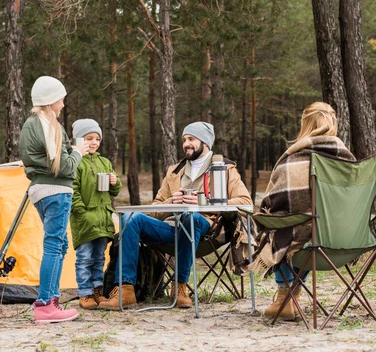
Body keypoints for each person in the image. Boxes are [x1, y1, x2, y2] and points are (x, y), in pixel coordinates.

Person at [98, 121, 252, 310]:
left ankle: (180, 288)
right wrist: (172, 202)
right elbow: (155, 207)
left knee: (191, 218)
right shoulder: (174, 171)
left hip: (206, 229)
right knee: (131, 217)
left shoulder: (225, 169)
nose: (186, 143)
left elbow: (245, 202)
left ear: (205, 142)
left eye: (191, 139)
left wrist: (203, 204)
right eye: (184, 139)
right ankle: (126, 290)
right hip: (171, 227)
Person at [250, 101, 355, 321]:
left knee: (282, 228)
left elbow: (272, 204)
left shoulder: (292, 160)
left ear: (305, 124)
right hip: (346, 241)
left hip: (309, 246)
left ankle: (284, 295)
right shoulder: (348, 161)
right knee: (307, 228)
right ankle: (290, 296)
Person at [18, 76, 89, 324]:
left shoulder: (32, 123)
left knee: (59, 246)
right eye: (61, 98)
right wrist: (78, 152)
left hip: (40, 189)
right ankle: (47, 303)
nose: (63, 103)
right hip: (55, 191)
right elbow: (65, 168)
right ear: (51, 100)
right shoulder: (49, 126)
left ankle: (51, 301)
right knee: (54, 245)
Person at [69, 118, 122, 310]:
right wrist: (82, 213)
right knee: (84, 258)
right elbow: (72, 190)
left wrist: (115, 182)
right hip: (85, 220)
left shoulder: (104, 162)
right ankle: (85, 293)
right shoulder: (76, 162)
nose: (93, 142)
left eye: (96, 138)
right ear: (78, 140)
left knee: (99, 258)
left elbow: (115, 191)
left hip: (103, 219)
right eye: (88, 138)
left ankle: (97, 290)